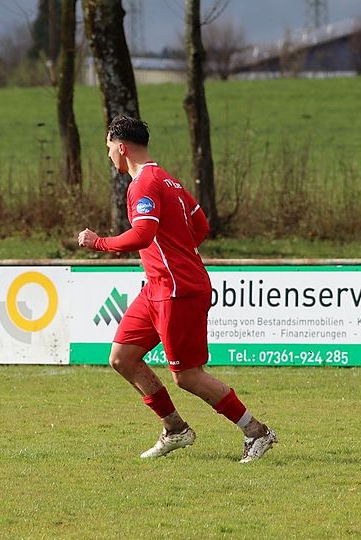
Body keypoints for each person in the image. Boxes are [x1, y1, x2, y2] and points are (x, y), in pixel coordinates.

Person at [77, 115, 277, 463]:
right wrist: (177, 250)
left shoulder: (144, 184)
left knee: (187, 376)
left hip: (178, 289)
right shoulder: (169, 181)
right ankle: (175, 429)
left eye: (108, 147)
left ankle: (256, 432)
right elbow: (201, 226)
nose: (108, 154)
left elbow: (142, 235)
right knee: (122, 357)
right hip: (157, 287)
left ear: (121, 147)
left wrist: (99, 242)